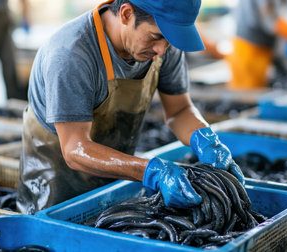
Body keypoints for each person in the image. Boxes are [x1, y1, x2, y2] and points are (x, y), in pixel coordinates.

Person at [17, 0, 245, 214]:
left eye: (169, 40)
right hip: (57, 185)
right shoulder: (71, 54)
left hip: (117, 174)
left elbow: (179, 111)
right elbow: (75, 150)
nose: (162, 50)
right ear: (126, 14)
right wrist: (152, 171)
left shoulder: (165, 43)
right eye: (155, 37)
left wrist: (206, 140)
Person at [203, 0, 287, 90]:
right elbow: (269, 21)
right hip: (248, 52)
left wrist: (283, 63)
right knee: (246, 99)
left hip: (263, 50)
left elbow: (274, 22)